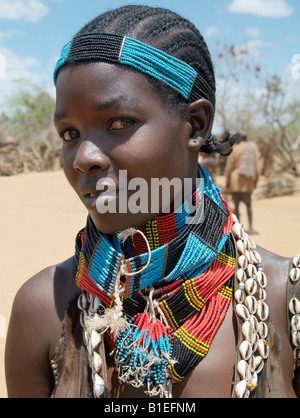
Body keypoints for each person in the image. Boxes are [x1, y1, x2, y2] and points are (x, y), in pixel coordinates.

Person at [5, 5, 300, 399]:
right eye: (70, 132)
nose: (83, 157)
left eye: (119, 123)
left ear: (195, 125)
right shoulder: (45, 308)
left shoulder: (283, 299)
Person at [224, 135, 259, 235]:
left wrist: (227, 183)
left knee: (236, 205)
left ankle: (238, 229)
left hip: (235, 181)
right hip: (248, 182)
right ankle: (251, 227)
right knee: (248, 205)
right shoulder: (251, 150)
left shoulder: (235, 149)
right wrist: (255, 182)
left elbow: (229, 167)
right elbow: (256, 167)